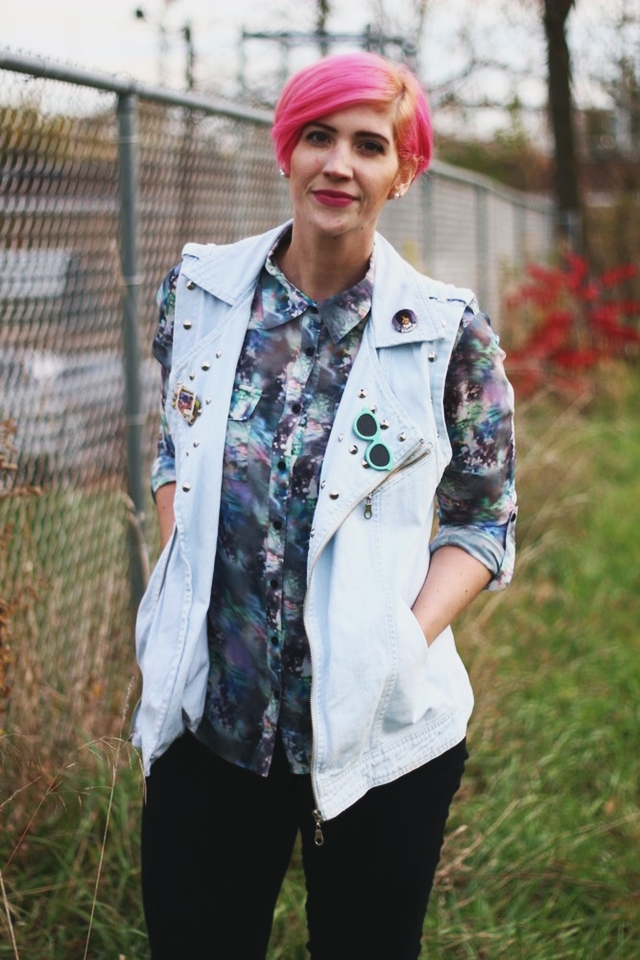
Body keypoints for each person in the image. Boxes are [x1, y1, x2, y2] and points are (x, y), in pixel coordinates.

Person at [133, 51, 517, 960]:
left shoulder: (447, 334)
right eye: (318, 136)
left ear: (403, 172)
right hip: (213, 731)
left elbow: (483, 520)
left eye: (368, 145)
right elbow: (171, 450)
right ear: (287, 152)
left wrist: (393, 646)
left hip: (381, 741)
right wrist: (191, 584)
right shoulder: (200, 294)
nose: (339, 164)